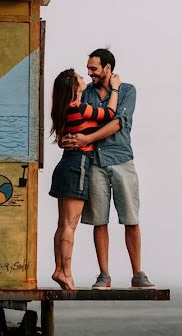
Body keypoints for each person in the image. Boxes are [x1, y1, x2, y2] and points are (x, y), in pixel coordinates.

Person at [61, 48, 153, 289]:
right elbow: (75, 120)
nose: (89, 73)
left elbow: (116, 123)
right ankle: (104, 274)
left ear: (108, 68)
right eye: (88, 68)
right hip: (95, 163)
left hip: (122, 159)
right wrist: (68, 139)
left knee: (131, 218)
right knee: (99, 220)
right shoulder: (86, 93)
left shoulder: (127, 90)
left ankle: (138, 273)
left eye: (94, 68)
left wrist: (86, 139)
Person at [48, 67, 121, 290]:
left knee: (62, 224)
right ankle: (66, 273)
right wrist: (115, 89)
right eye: (80, 78)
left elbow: (63, 137)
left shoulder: (64, 109)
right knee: (70, 224)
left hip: (66, 164)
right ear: (74, 87)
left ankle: (59, 270)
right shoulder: (79, 107)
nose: (84, 79)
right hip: (78, 165)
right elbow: (109, 115)